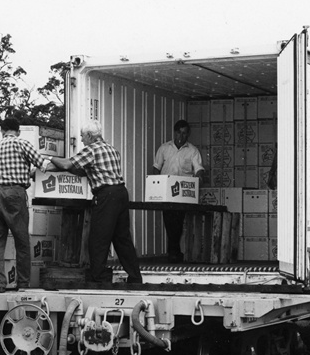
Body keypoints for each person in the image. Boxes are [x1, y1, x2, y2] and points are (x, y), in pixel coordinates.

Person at [46, 120, 143, 284]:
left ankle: (98, 278)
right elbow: (83, 170)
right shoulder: (112, 149)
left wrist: (48, 158)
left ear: (90, 136)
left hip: (106, 196)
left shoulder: (91, 150)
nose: (82, 140)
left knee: (98, 238)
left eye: (83, 136)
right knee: (122, 238)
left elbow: (68, 164)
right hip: (120, 193)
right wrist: (54, 167)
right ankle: (135, 277)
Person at [0, 118, 49, 291]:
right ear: (18, 131)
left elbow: (8, 169)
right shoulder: (22, 144)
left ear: (2, 131)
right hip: (14, 193)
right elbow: (42, 164)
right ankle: (22, 283)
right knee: (21, 240)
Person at [152, 119, 205, 263]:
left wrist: (198, 178)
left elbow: (199, 169)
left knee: (178, 221)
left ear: (188, 135)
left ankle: (173, 252)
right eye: (179, 133)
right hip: (166, 192)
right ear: (174, 133)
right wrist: (156, 185)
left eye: (184, 133)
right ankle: (174, 251)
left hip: (182, 192)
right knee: (169, 221)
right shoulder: (164, 148)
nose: (181, 136)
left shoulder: (193, 151)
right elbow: (156, 168)